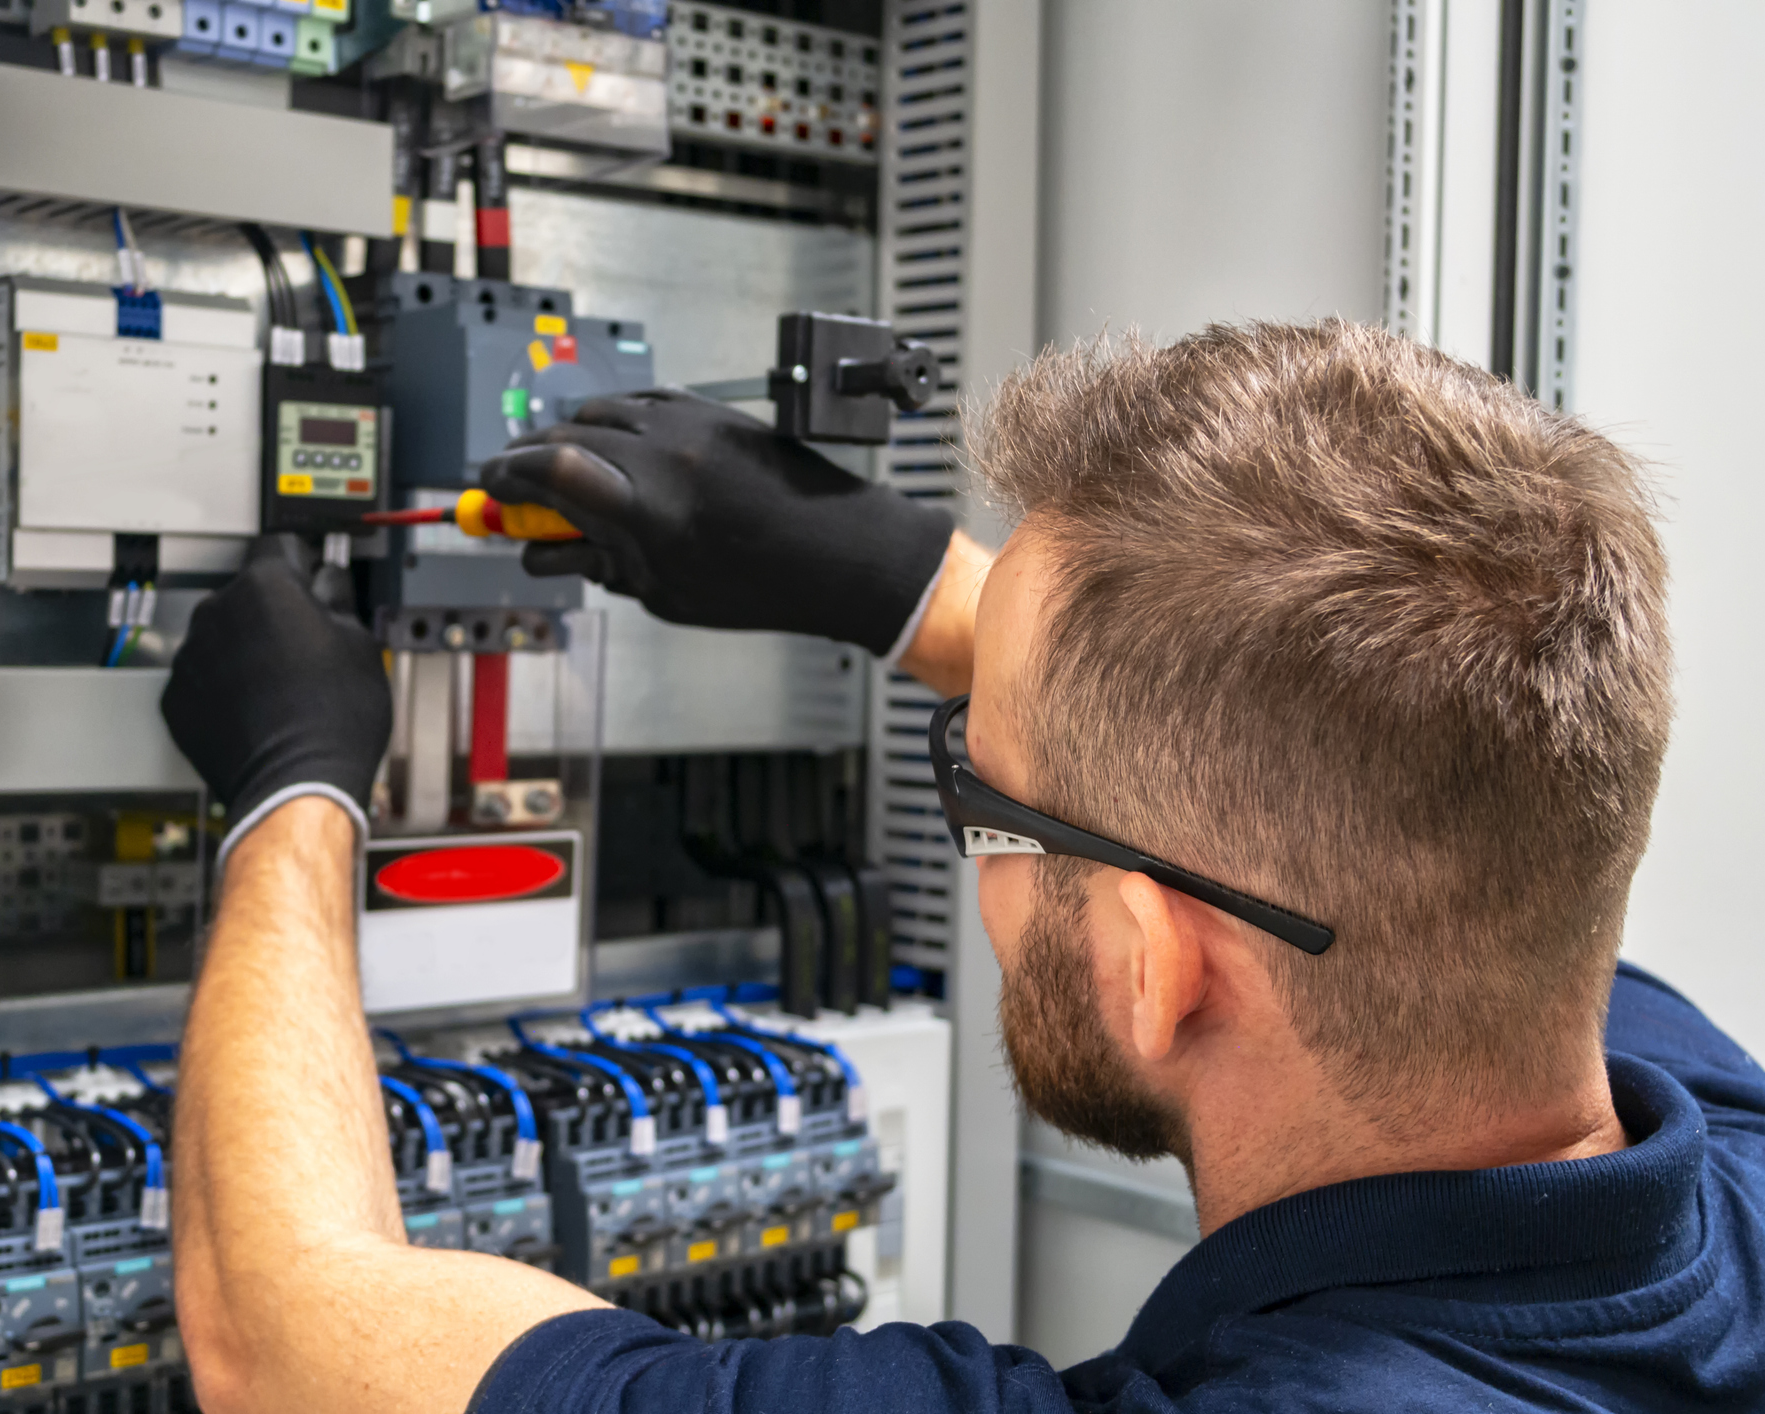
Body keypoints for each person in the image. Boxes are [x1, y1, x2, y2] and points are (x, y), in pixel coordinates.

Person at [157, 320, 1765, 1413]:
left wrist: (291, 791)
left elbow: (275, 1326)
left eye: (976, 785)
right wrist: (904, 580)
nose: (967, 811)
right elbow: (1389, 778)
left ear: (1151, 961)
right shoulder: (1707, 1153)